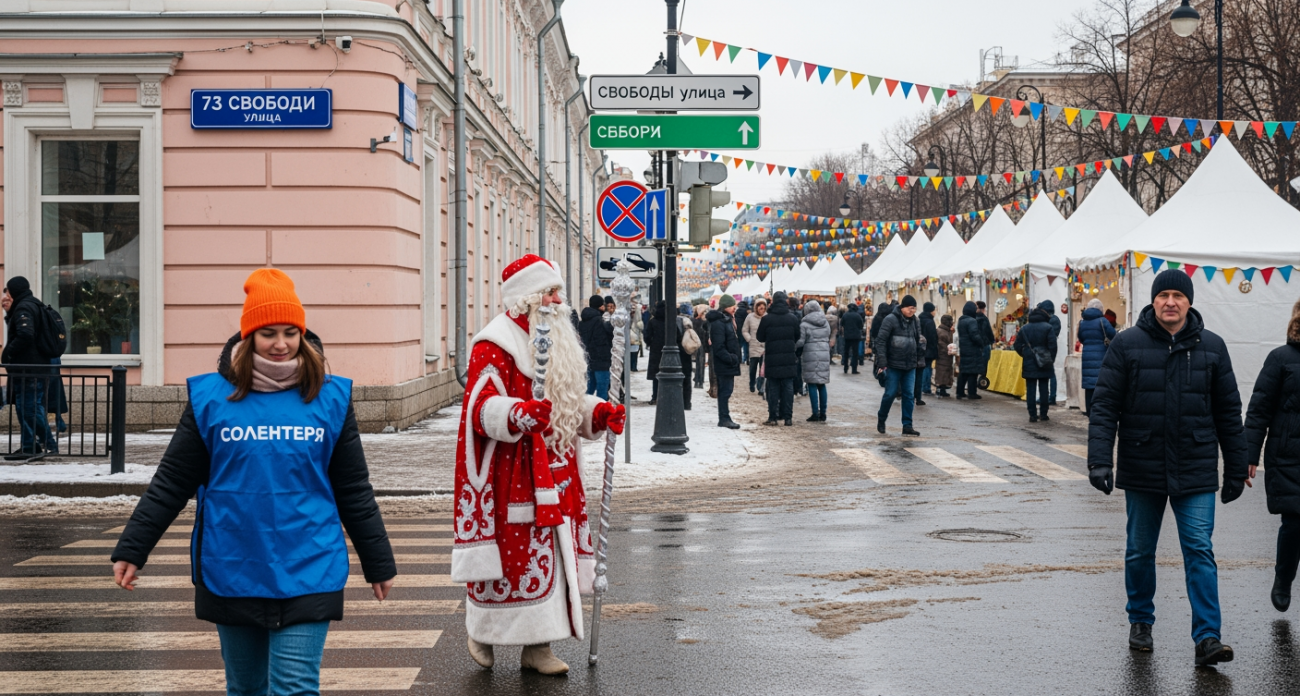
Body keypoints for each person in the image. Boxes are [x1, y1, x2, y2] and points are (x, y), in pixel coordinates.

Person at [110, 268, 397, 694]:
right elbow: (172, 481)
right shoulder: (211, 400)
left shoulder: (331, 399)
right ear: (248, 337)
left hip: (309, 564)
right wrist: (134, 547)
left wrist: (377, 561)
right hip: (234, 565)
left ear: (302, 334)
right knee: (245, 688)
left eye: (289, 332)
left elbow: (353, 488)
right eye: (267, 333)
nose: (280, 344)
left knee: (294, 686)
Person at [451, 255, 626, 675]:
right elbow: (479, 406)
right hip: (511, 470)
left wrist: (595, 413)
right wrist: (516, 415)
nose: (557, 299)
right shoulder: (494, 343)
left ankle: (539, 646)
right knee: (512, 559)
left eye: (557, 291)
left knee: (550, 557)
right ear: (525, 299)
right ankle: (484, 631)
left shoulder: (560, 339)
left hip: (558, 469)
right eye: (548, 292)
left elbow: (564, 404)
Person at [1087, 269, 1247, 666]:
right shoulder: (1127, 345)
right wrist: (1099, 459)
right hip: (1143, 464)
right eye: (1164, 295)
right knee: (1140, 551)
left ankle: (1208, 636)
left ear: (1189, 302)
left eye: (1178, 295)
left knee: (1199, 551)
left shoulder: (1212, 347)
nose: (1170, 302)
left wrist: (1236, 466)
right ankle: (1141, 621)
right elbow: (1105, 405)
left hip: (1195, 466)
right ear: (1153, 300)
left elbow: (1228, 411)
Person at [1245, 299, 1300, 612]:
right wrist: (1248, 454)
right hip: (1289, 453)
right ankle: (1284, 578)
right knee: (1294, 521)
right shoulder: (1280, 358)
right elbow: (1259, 409)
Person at [3, 277, 57, 458]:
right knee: (24, 408)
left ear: (14, 290)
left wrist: (8, 352)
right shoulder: (32, 304)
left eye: (7, 290)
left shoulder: (24, 307)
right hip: (33, 367)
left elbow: (25, 334)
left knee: (29, 409)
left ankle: (50, 445)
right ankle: (28, 446)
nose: (6, 294)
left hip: (29, 368)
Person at [874, 295, 922, 436]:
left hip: (910, 364)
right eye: (910, 308)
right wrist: (882, 361)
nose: (912, 311)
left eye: (914, 308)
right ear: (902, 307)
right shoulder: (890, 319)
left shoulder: (915, 321)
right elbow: (881, 341)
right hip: (893, 364)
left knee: (908, 395)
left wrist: (919, 356)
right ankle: (881, 418)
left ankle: (907, 425)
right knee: (890, 393)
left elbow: (918, 339)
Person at [756, 291, 800, 426]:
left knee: (773, 387)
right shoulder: (792, 318)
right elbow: (797, 336)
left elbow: (760, 337)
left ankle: (773, 417)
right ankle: (788, 417)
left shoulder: (767, 319)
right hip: (788, 357)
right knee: (788, 387)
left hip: (772, 357)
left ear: (773, 302)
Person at [646, 301, 693, 410]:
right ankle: (666, 395)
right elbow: (678, 336)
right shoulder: (671, 321)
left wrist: (652, 343)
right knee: (668, 373)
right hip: (670, 350)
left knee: (656, 375)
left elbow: (647, 336)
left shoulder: (653, 321)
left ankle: (655, 396)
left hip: (656, 350)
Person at [1014, 304, 1057, 422]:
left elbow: (1017, 345)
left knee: (1031, 389)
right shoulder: (1048, 327)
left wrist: (1025, 353)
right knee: (1044, 388)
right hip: (1044, 361)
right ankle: (1044, 414)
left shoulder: (1024, 328)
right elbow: (1053, 346)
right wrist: (1050, 359)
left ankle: (1032, 414)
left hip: (1029, 361)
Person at [708, 295, 743, 429]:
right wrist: (731, 358)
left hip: (729, 363)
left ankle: (725, 417)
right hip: (725, 363)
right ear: (726, 307)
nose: (735, 308)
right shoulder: (719, 323)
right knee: (725, 391)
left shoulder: (727, 321)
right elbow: (719, 346)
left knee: (727, 391)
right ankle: (724, 418)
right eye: (732, 306)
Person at [1078, 298, 1116, 415]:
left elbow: (1081, 338)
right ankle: (1100, 411)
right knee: (1101, 384)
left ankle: (1089, 411)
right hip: (1101, 355)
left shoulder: (1082, 323)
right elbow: (1114, 336)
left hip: (1087, 356)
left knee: (1089, 385)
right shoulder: (1102, 321)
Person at [796, 300, 832, 422]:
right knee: (821, 384)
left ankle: (815, 413)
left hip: (810, 356)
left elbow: (800, 342)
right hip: (824, 355)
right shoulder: (825, 322)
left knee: (811, 384)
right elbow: (828, 335)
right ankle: (823, 413)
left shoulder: (804, 324)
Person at [578, 295, 614, 400]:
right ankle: (601, 412)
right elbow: (611, 335)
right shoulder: (600, 321)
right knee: (602, 389)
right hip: (602, 359)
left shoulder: (583, 322)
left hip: (588, 358)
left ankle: (584, 409)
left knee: (589, 388)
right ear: (600, 306)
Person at [956, 301, 992, 400]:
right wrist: (981, 343)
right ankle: (972, 392)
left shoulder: (961, 320)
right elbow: (974, 335)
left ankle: (960, 392)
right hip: (972, 349)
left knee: (963, 372)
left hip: (964, 348)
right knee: (973, 372)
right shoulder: (972, 321)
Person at [742, 298, 768, 397]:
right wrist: (749, 339)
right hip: (753, 345)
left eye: (763, 308)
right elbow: (744, 330)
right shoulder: (750, 317)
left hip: (764, 346)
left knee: (763, 368)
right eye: (760, 307)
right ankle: (752, 383)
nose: (762, 309)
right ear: (756, 308)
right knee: (753, 367)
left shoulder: (767, 317)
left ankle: (761, 387)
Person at [1039, 300, 1062, 404]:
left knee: (1050, 373)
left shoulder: (1052, 319)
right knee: (1048, 372)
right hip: (1048, 347)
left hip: (1048, 348)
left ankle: (1051, 396)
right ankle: (1048, 396)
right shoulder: (1053, 319)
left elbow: (1052, 334)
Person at [917, 302, 939, 405]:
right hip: (928, 348)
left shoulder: (919, 318)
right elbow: (932, 337)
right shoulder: (929, 322)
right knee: (927, 367)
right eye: (934, 310)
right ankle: (926, 387)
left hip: (920, 347)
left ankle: (921, 387)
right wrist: (934, 347)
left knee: (921, 368)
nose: (935, 312)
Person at [841, 302, 866, 375]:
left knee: (846, 352)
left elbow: (841, 324)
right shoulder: (857, 316)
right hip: (855, 337)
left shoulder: (845, 315)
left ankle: (845, 367)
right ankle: (854, 369)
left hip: (847, 336)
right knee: (855, 353)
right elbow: (861, 326)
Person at [934, 314, 955, 397]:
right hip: (943, 354)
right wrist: (947, 349)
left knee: (945, 371)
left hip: (946, 354)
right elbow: (941, 343)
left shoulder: (946, 330)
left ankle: (943, 388)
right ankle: (940, 388)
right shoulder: (941, 331)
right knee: (942, 371)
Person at [693, 304, 709, 392]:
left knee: (699, 363)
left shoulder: (693, 321)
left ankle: (697, 380)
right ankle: (700, 381)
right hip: (701, 344)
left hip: (695, 344)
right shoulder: (703, 323)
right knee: (701, 363)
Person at [628, 306, 643, 373]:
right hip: (628, 340)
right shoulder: (627, 319)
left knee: (634, 355)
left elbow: (641, 329)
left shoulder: (638, 321)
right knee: (629, 355)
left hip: (635, 340)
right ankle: (631, 367)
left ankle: (633, 367)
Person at [735, 300, 750, 364]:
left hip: (738, 330)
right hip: (746, 330)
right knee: (746, 345)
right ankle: (747, 359)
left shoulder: (737, 311)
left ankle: (740, 359)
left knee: (739, 345)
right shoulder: (746, 312)